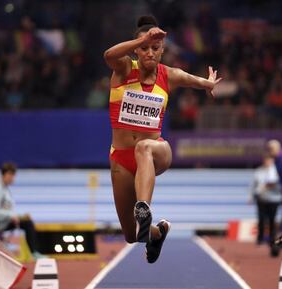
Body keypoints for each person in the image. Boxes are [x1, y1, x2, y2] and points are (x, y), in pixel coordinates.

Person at [103, 15, 221, 263]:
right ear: (136, 49)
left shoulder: (170, 75)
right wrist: (144, 38)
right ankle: (156, 233)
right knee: (130, 235)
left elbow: (195, 81)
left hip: (156, 151)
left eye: (154, 48)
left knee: (144, 147)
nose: (149, 53)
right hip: (121, 159)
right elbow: (109, 55)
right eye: (143, 48)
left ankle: (143, 208)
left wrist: (208, 84)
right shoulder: (124, 69)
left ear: (162, 50)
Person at [0, 162, 43, 259]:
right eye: (10, 175)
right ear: (4, 174)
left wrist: (20, 216)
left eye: (14, 175)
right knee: (27, 223)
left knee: (26, 220)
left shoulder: (5, 188)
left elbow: (6, 210)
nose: (13, 178)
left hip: (4, 221)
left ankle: (35, 252)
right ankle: (34, 253)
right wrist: (11, 216)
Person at [250, 154, 282, 257]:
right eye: (266, 160)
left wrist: (271, 185)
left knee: (272, 220)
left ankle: (272, 240)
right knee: (261, 219)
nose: (267, 162)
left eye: (269, 160)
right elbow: (253, 185)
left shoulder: (276, 171)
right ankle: (260, 240)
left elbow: (280, 184)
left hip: (274, 199)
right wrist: (252, 196)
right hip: (262, 199)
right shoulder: (258, 171)